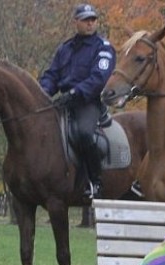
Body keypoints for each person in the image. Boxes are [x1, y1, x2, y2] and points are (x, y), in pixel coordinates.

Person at [39, 3, 115, 199]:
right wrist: (42, 93)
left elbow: (99, 78)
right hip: (63, 101)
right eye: (85, 20)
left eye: (93, 20)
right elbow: (51, 75)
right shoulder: (64, 49)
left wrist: (75, 93)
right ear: (76, 22)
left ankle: (95, 181)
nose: (90, 24)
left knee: (83, 133)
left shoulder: (103, 48)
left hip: (88, 102)